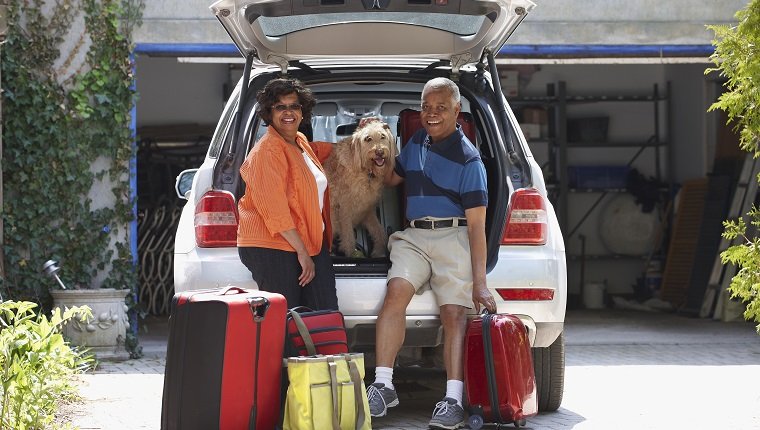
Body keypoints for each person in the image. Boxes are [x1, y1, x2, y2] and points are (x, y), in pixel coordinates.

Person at [366, 77, 497, 430]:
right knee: (394, 294)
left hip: (454, 236)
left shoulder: (471, 162)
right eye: (426, 107)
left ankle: (452, 399)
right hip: (414, 236)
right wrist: (377, 157)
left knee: (455, 314)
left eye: (441, 108)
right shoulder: (417, 141)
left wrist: (480, 284)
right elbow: (396, 178)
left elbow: (476, 227)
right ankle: (383, 385)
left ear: (457, 110)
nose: (432, 114)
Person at [237, 77, 338, 312]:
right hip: (272, 245)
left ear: (303, 111)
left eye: (294, 106)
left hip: (307, 241)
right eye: (280, 107)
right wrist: (302, 253)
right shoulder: (267, 151)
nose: (288, 112)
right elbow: (276, 212)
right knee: (285, 317)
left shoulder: (299, 141)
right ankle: (282, 352)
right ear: (268, 113)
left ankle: (322, 351)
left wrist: (357, 145)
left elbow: (320, 154)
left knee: (324, 312)